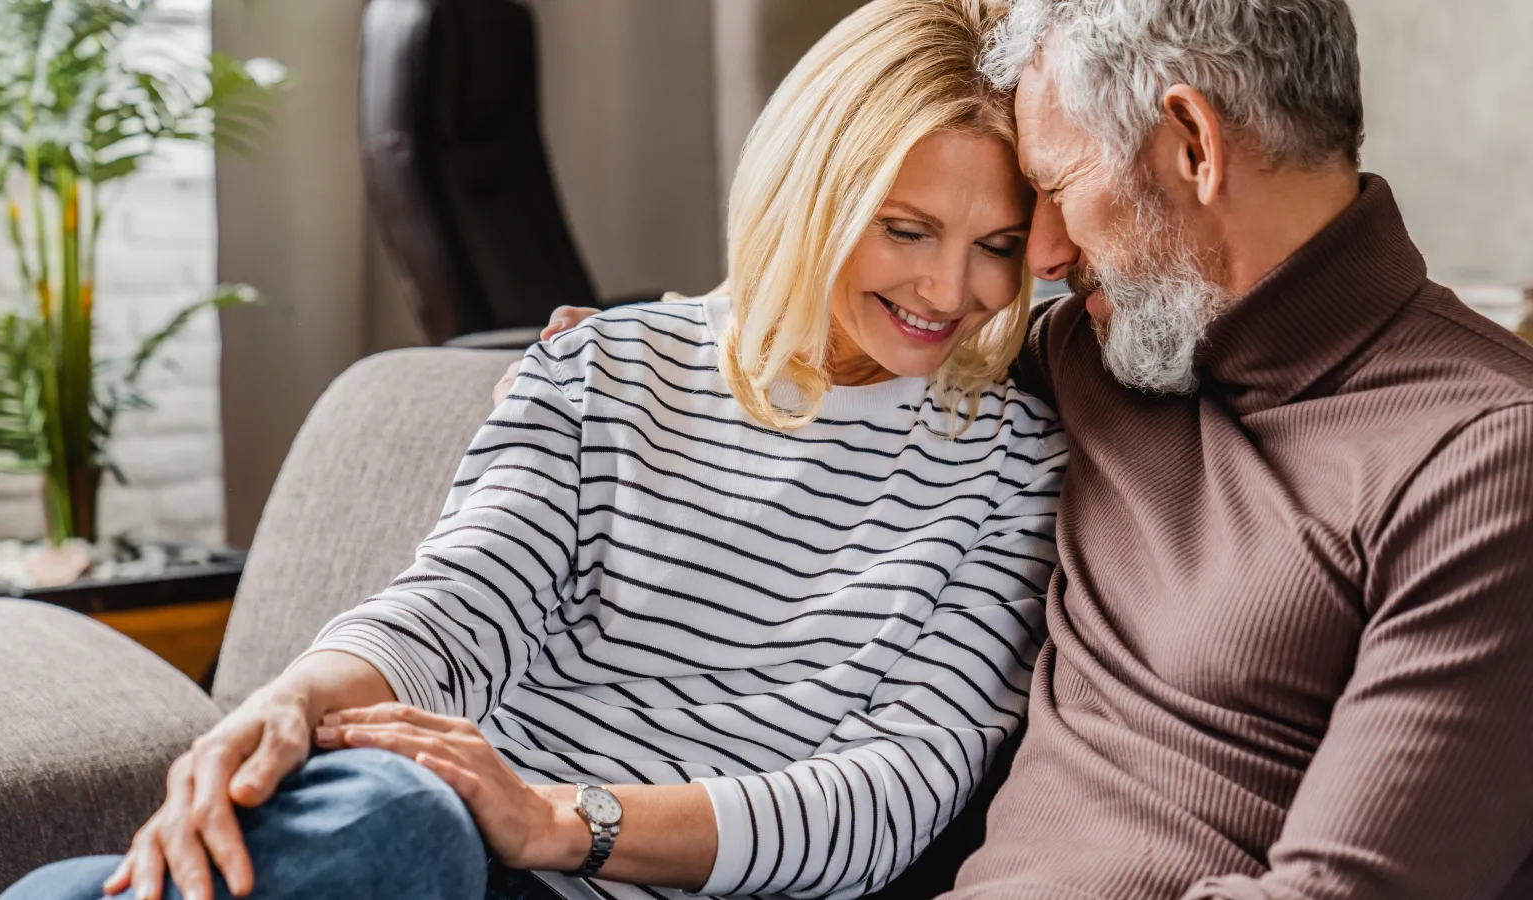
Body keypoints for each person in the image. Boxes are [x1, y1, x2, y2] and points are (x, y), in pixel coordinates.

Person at [0, 2, 1067, 900]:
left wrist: (561, 820)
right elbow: (460, 601)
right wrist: (291, 700)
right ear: (810, 190)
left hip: (589, 866)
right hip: (435, 846)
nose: (947, 290)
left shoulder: (1015, 472)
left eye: (996, 246)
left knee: (385, 817)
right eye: (906, 228)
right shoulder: (600, 367)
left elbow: (889, 799)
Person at [533, 1, 1533, 898]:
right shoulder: (1094, 350)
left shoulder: (1486, 461)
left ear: (1191, 142)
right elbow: (856, 332)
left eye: (1056, 185)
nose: (1043, 254)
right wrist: (648, 348)